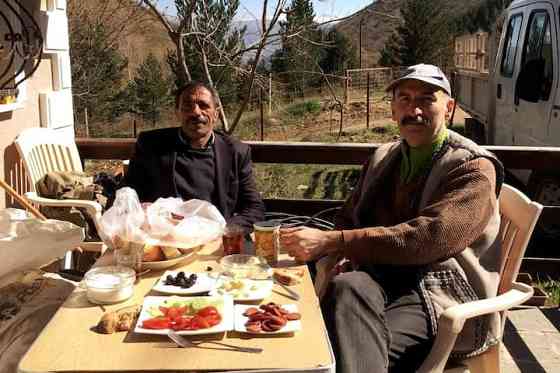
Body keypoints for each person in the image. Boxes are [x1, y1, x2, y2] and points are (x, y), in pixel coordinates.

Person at [280, 64, 504, 372]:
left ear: (449, 108)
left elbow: (431, 238)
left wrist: (333, 240)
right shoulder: (384, 157)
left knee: (335, 341)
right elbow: (349, 214)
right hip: (380, 276)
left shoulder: (472, 168)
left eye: (427, 99)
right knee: (346, 288)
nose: (414, 110)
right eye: (404, 99)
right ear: (393, 109)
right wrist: (337, 252)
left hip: (436, 290)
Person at [122, 81, 264, 231]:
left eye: (204, 105)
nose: (196, 112)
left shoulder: (236, 152)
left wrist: (223, 231)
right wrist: (141, 214)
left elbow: (254, 208)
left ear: (216, 113)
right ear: (177, 112)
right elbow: (127, 195)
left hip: (215, 240)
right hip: (165, 240)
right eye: (188, 106)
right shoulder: (151, 145)